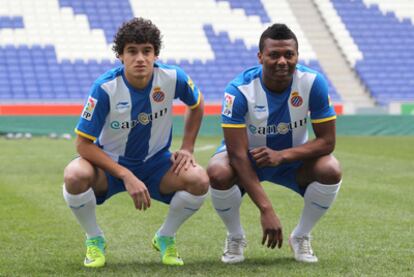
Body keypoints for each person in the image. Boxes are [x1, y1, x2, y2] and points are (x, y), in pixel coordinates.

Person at [63, 17, 209, 268]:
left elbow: (196, 105)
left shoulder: (173, 77)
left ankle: (165, 236)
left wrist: (187, 147)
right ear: (120, 55)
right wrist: (126, 175)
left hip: (156, 164)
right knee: (74, 175)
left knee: (199, 180)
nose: (140, 58)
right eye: (132, 51)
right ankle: (94, 238)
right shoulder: (105, 88)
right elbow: (82, 145)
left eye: (147, 51)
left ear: (156, 53)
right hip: (110, 165)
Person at [207, 23, 342, 264]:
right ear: (260, 57)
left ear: (297, 56)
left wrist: (282, 156)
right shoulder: (238, 90)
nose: (282, 61)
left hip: (291, 159)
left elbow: (327, 142)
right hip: (247, 159)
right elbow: (237, 155)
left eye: (289, 55)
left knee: (331, 169)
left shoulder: (313, 83)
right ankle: (235, 236)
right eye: (274, 55)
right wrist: (266, 209)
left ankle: (301, 236)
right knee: (217, 171)